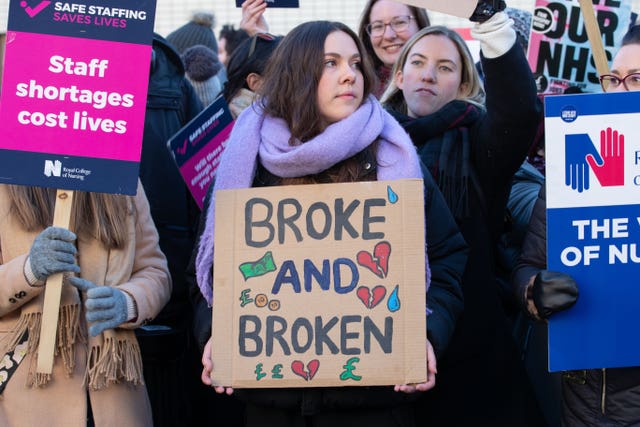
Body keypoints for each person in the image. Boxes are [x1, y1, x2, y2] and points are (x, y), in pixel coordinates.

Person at [192, 20, 467, 427]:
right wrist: (215, 332)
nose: (350, 75)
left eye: (356, 63)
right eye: (331, 63)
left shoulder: (396, 159)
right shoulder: (244, 164)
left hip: (375, 407)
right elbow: (209, 273)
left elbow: (446, 258)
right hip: (273, 407)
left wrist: (427, 332)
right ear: (297, 73)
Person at [381, 6, 544, 425]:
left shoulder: (480, 147)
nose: (427, 74)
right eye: (416, 63)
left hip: (473, 359)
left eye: (444, 66)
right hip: (383, 354)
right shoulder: (362, 146)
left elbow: (520, 112)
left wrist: (489, 20)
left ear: (464, 84)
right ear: (399, 76)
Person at [512, 25, 640, 427]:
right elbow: (528, 266)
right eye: (612, 79)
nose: (619, 91)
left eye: (635, 80)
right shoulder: (575, 171)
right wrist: (536, 293)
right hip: (587, 402)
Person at [0, 182, 171, 426]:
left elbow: (155, 271)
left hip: (115, 392)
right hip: (25, 399)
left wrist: (128, 302)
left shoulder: (119, 165)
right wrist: (28, 271)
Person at [137, 33, 204, 427]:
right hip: (75, 293)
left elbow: (206, 181)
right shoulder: (43, 72)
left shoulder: (169, 76)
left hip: (167, 287)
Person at [357, 0, 430, 97]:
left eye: (399, 22)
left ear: (420, 26)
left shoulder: (442, 84)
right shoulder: (359, 89)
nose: (388, 35)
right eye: (378, 26)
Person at [222, 32, 283, 118]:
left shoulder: (223, 115)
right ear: (255, 82)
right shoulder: (257, 124)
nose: (293, 81)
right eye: (283, 75)